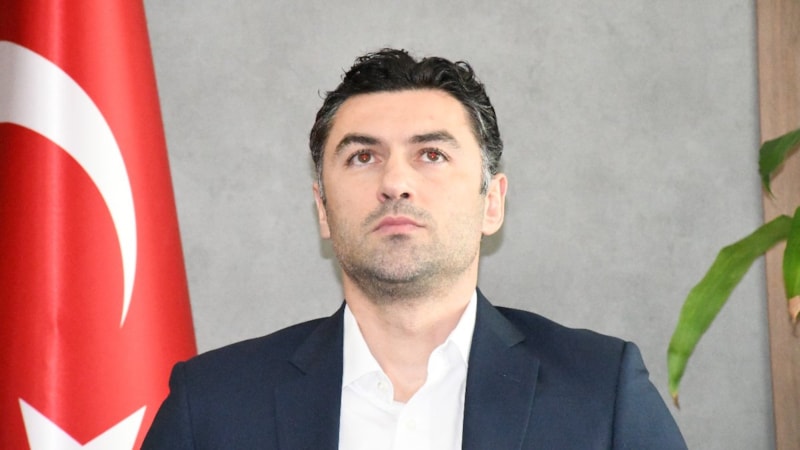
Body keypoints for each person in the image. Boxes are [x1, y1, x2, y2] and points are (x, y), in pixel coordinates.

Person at [142, 48, 687, 449]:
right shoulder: (211, 406)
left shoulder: (601, 393)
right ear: (323, 210)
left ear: (492, 203)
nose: (395, 182)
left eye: (431, 155)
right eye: (362, 157)